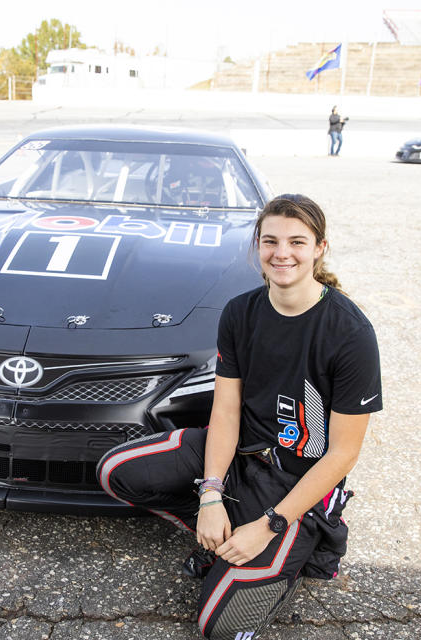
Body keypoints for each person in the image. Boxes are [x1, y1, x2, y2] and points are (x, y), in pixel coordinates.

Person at [97, 194, 382, 640]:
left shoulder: (350, 334)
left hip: (294, 478)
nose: (282, 253)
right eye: (270, 241)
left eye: (297, 242)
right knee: (116, 472)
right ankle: (222, 525)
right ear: (256, 245)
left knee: (221, 627)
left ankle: (291, 547)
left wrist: (269, 525)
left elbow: (343, 454)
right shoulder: (240, 312)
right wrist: (210, 496)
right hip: (239, 454)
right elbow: (226, 411)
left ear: (320, 248)